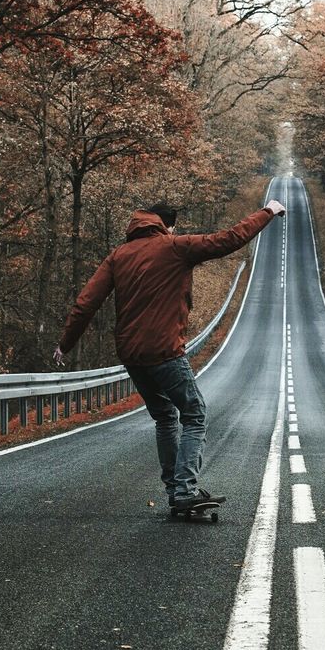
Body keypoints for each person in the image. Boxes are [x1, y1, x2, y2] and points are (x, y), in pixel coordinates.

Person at [53, 198, 286, 509]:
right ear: (166, 226)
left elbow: (85, 304)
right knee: (194, 414)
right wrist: (268, 211)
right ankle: (184, 490)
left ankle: (176, 490)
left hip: (132, 356)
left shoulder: (118, 256)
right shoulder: (175, 246)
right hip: (164, 351)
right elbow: (229, 239)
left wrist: (65, 344)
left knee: (164, 418)